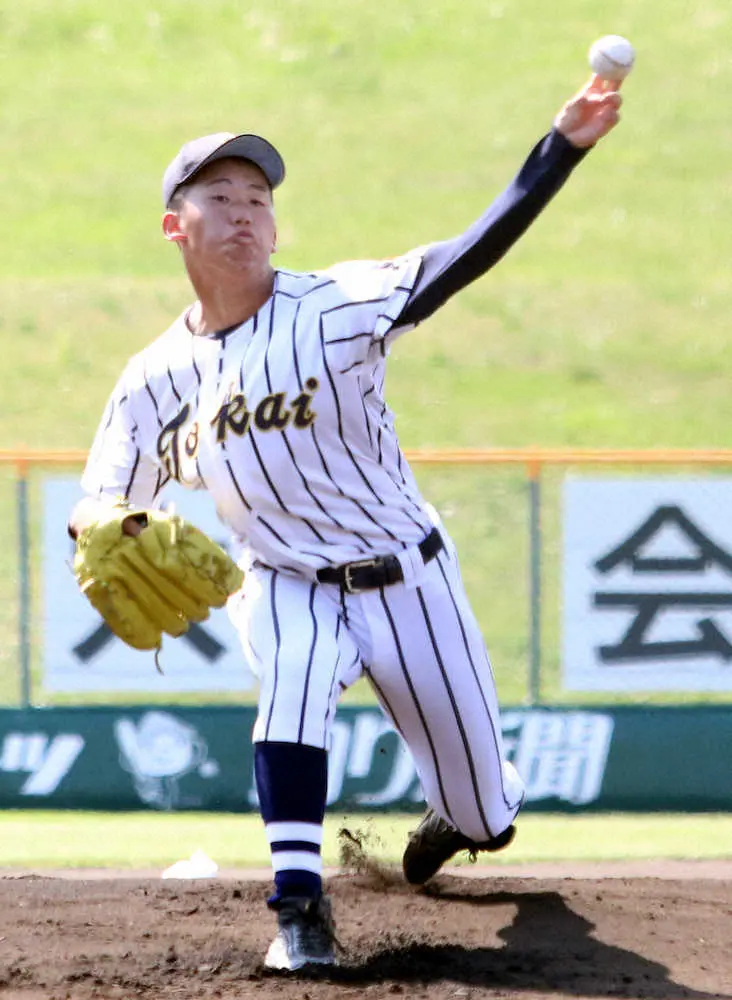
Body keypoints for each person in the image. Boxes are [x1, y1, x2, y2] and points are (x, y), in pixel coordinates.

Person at [69, 73, 622, 972]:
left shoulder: (333, 308)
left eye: (259, 199)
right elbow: (102, 495)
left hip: (408, 574)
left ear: (277, 226)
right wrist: (107, 526)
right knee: (290, 688)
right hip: (285, 579)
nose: (246, 213)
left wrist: (560, 150)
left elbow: (468, 254)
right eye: (221, 198)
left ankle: (463, 813)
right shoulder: (154, 377)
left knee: (488, 814)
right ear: (178, 226)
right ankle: (299, 910)